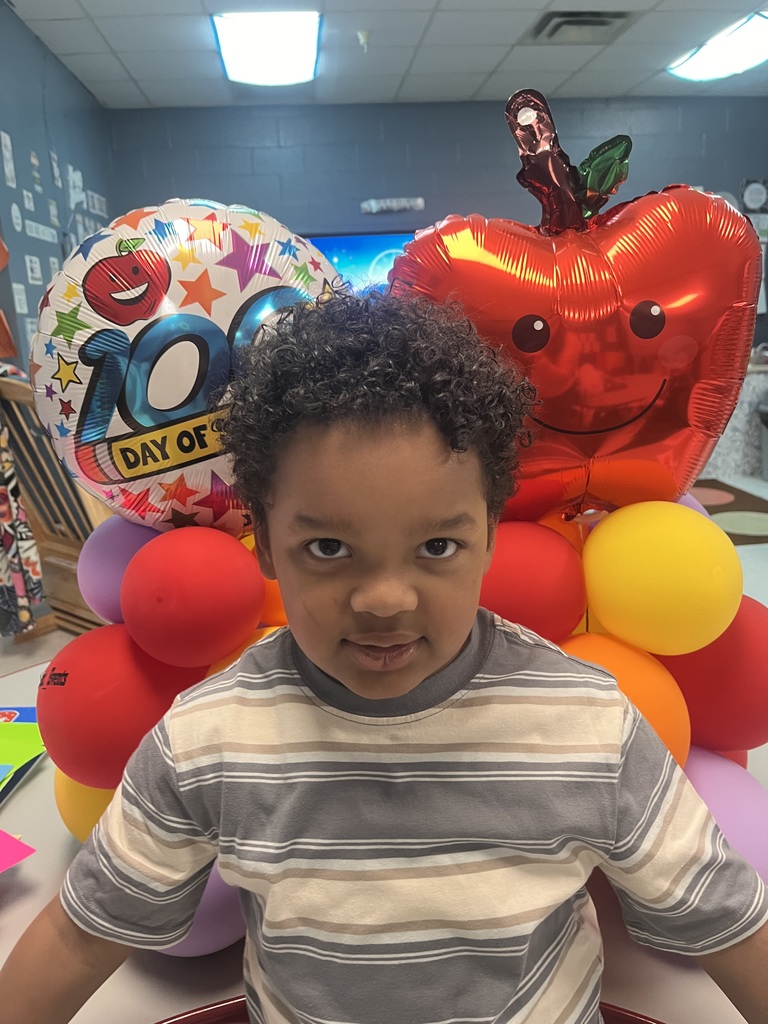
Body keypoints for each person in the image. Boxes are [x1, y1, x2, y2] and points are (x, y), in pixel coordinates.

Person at [1, 290, 767, 1024]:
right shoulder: (210, 739)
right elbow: (80, 933)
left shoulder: (585, 724)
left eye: (437, 546)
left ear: (491, 537)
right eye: (328, 548)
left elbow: (729, 921)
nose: (385, 599)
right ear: (267, 544)